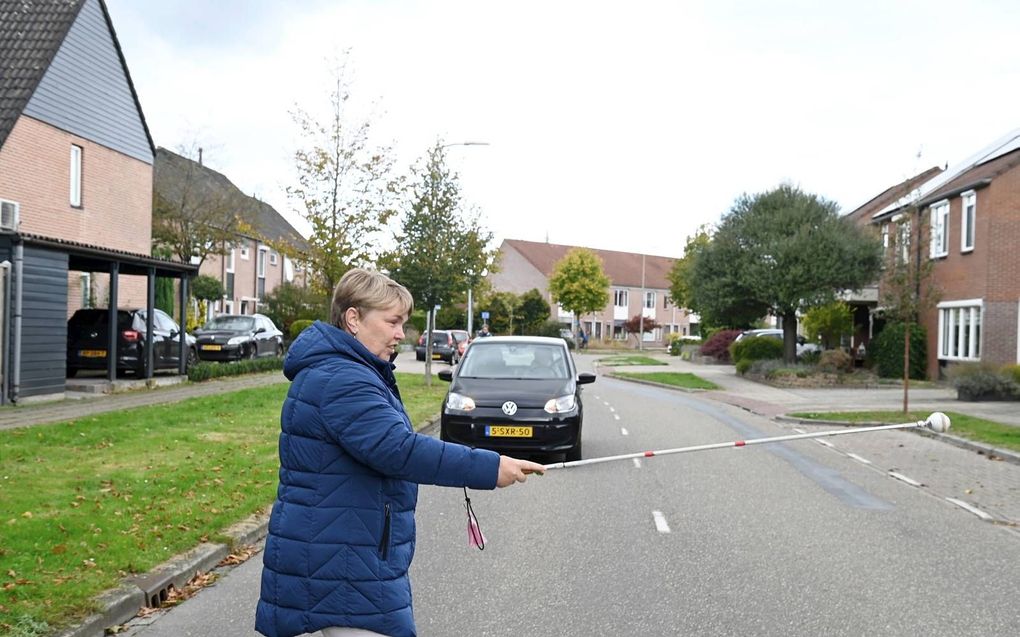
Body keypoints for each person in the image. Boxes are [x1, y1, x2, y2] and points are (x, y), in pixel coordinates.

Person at [255, 269, 543, 637]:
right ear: (354, 318)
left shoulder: (350, 370)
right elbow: (399, 450)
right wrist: (489, 467)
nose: (400, 334)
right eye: (392, 322)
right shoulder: (342, 378)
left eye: (403, 323)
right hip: (340, 562)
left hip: (342, 552)